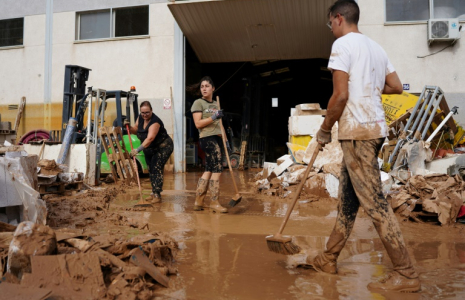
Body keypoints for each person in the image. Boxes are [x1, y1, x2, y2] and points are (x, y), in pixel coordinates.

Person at [311, 0, 420, 293]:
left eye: (329, 24)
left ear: (337, 19)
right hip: (374, 130)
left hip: (357, 133)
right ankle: (328, 257)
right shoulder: (376, 48)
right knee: (348, 201)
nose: (331, 29)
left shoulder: (343, 46)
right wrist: (370, 85)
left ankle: (406, 274)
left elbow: (340, 95)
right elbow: (396, 86)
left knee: (375, 204)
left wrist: (323, 130)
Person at [188, 76, 228, 213]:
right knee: (217, 169)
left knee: (209, 169)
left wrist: (226, 140)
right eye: (202, 86)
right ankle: (214, 202)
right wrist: (214, 117)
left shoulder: (216, 104)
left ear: (213, 88)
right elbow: (198, 124)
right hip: (207, 138)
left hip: (217, 138)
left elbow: (220, 125)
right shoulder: (198, 103)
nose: (204, 88)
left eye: (207, 86)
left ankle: (198, 201)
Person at [125, 101, 173, 203]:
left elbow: (150, 138)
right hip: (150, 148)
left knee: (156, 167)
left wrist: (137, 150)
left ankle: (157, 195)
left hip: (163, 147)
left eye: (147, 112)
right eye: (143, 112)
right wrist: (129, 127)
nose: (145, 115)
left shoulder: (155, 122)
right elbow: (135, 130)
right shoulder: (140, 118)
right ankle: (153, 192)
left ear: (151, 111)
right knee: (150, 169)